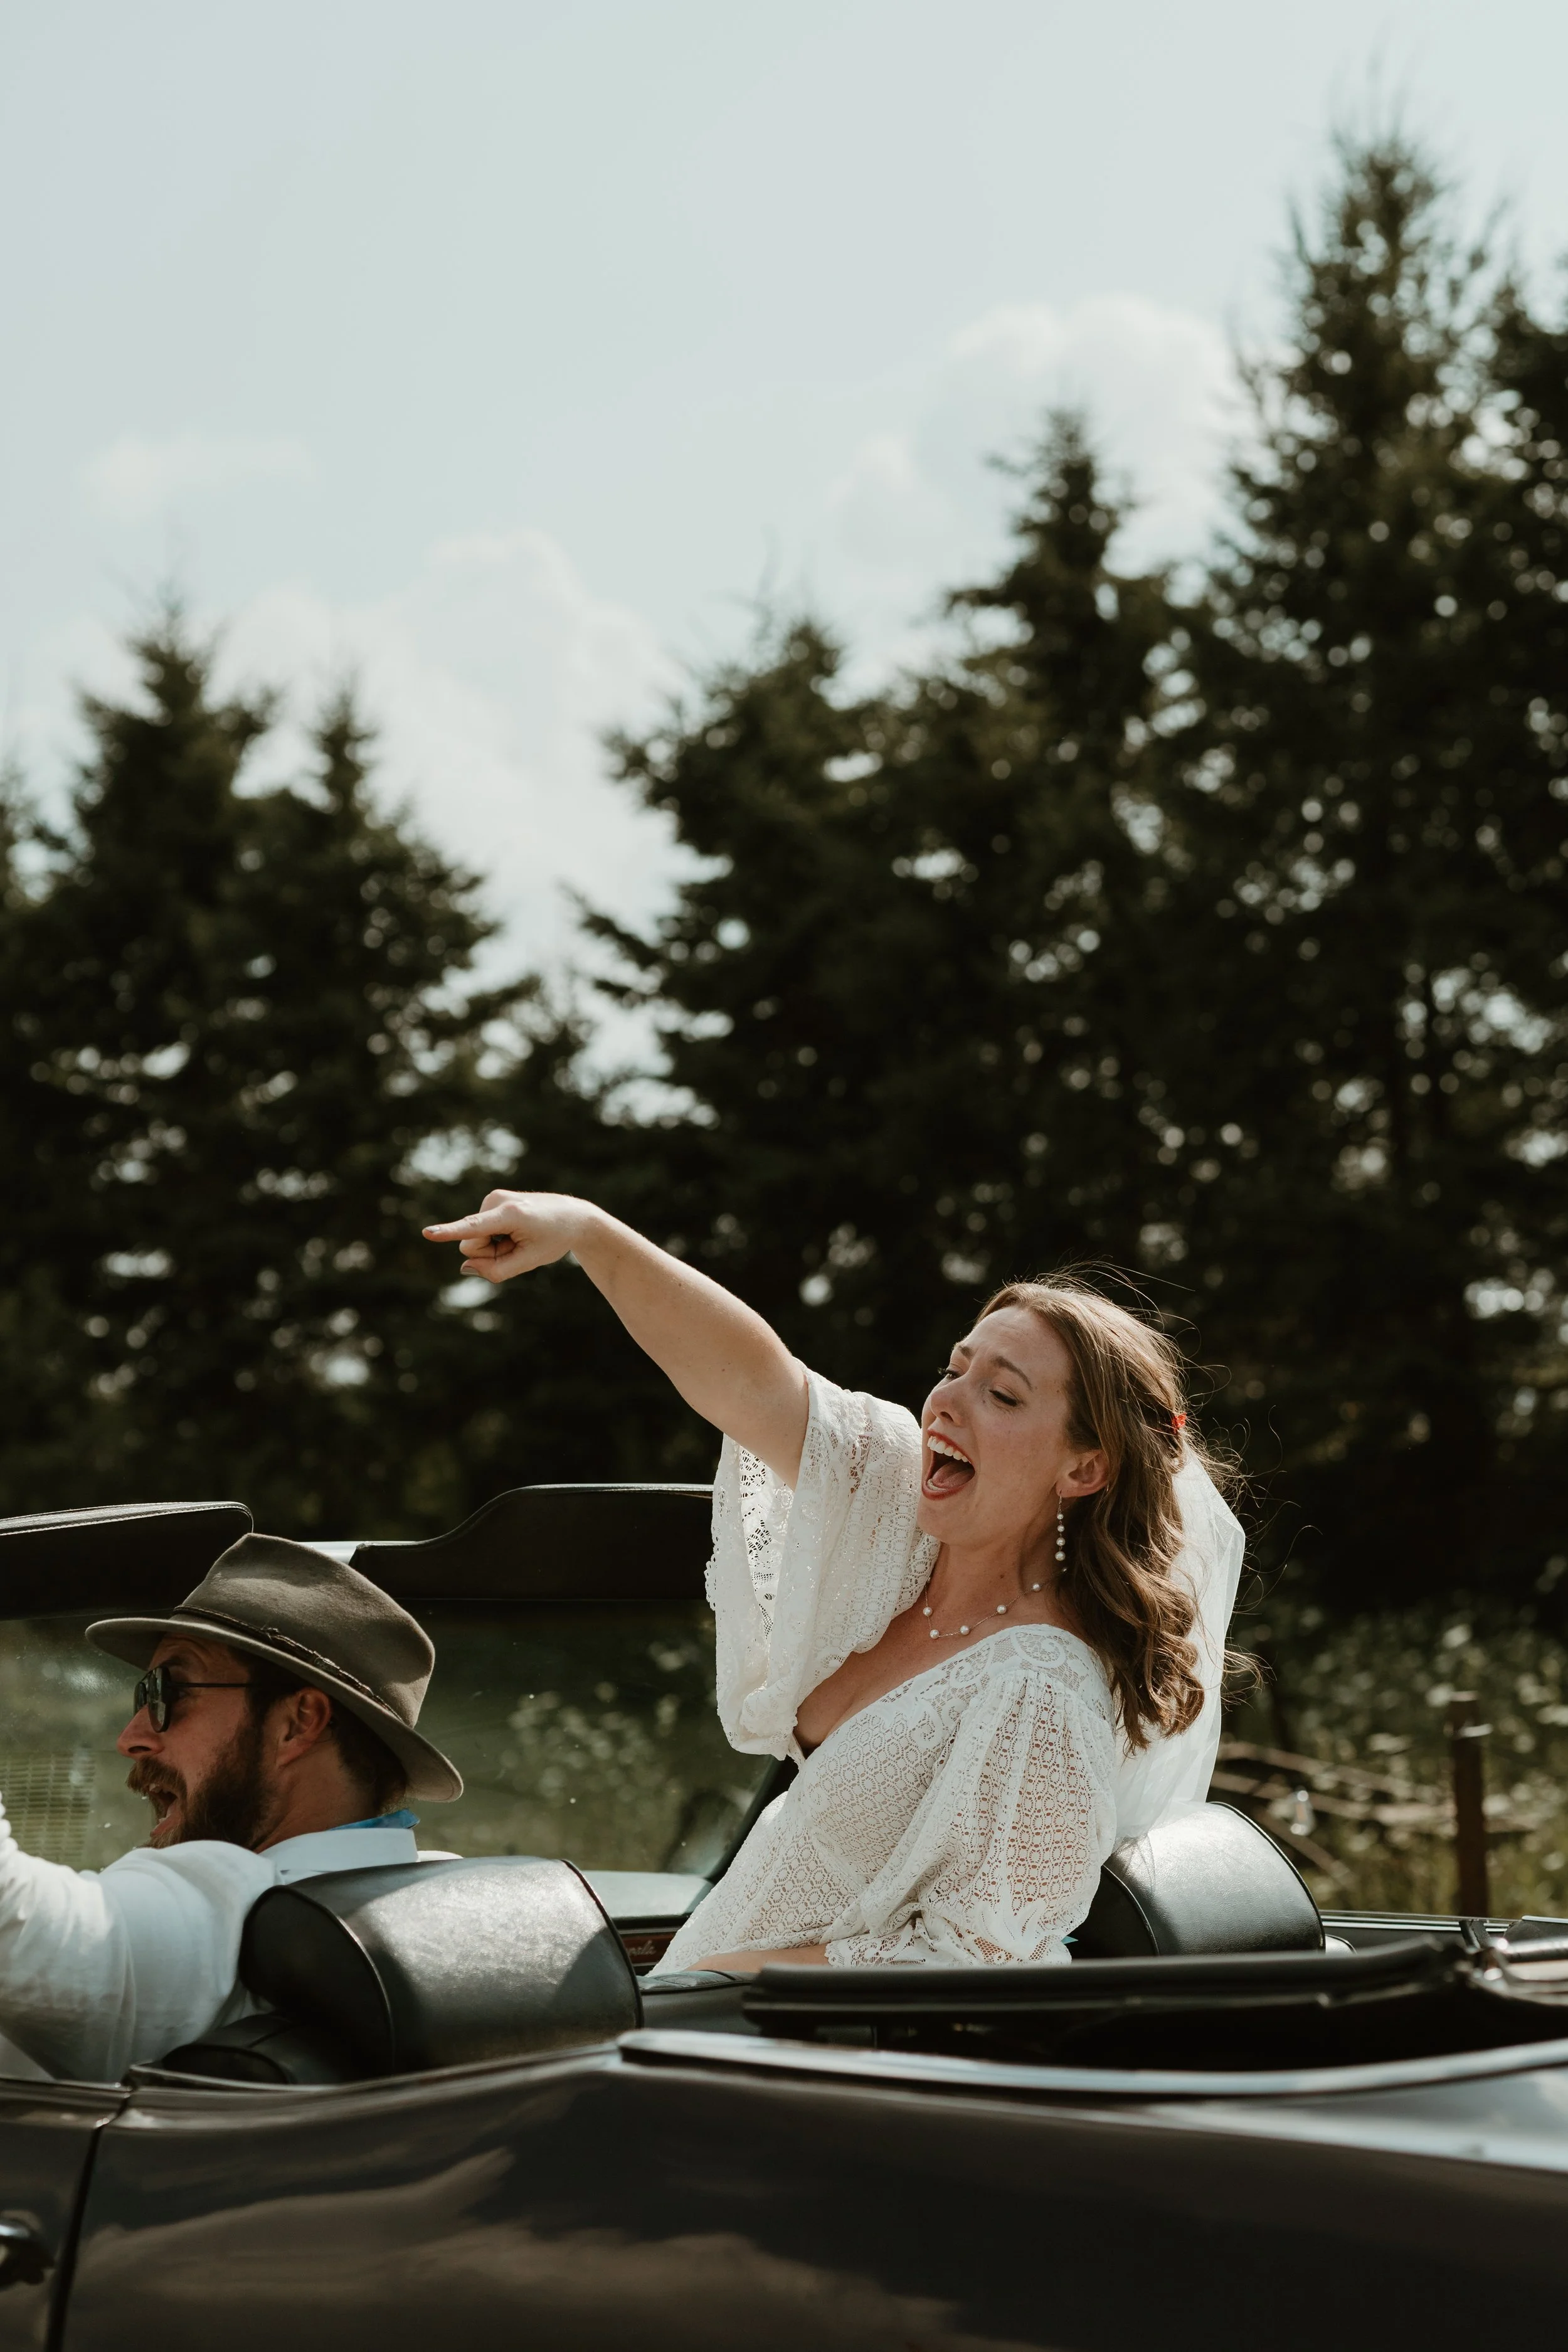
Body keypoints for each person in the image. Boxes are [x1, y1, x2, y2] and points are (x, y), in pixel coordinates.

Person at [425, 1190, 1244, 1974]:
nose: (947, 1403)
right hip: (699, 2014)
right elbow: (754, 1383)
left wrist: (719, 1977)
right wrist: (589, 1235)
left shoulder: (1042, 1690)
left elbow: (982, 1964)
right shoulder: (903, 1529)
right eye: (955, 1368)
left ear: (1085, 1466)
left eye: (1002, 1393)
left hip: (775, 2050)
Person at [0, 1535, 460, 2081]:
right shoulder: (458, 1902)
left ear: (297, 1723)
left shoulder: (226, 1908)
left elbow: (14, 1922)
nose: (132, 1737)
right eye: (140, 1696)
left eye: (169, 1691)